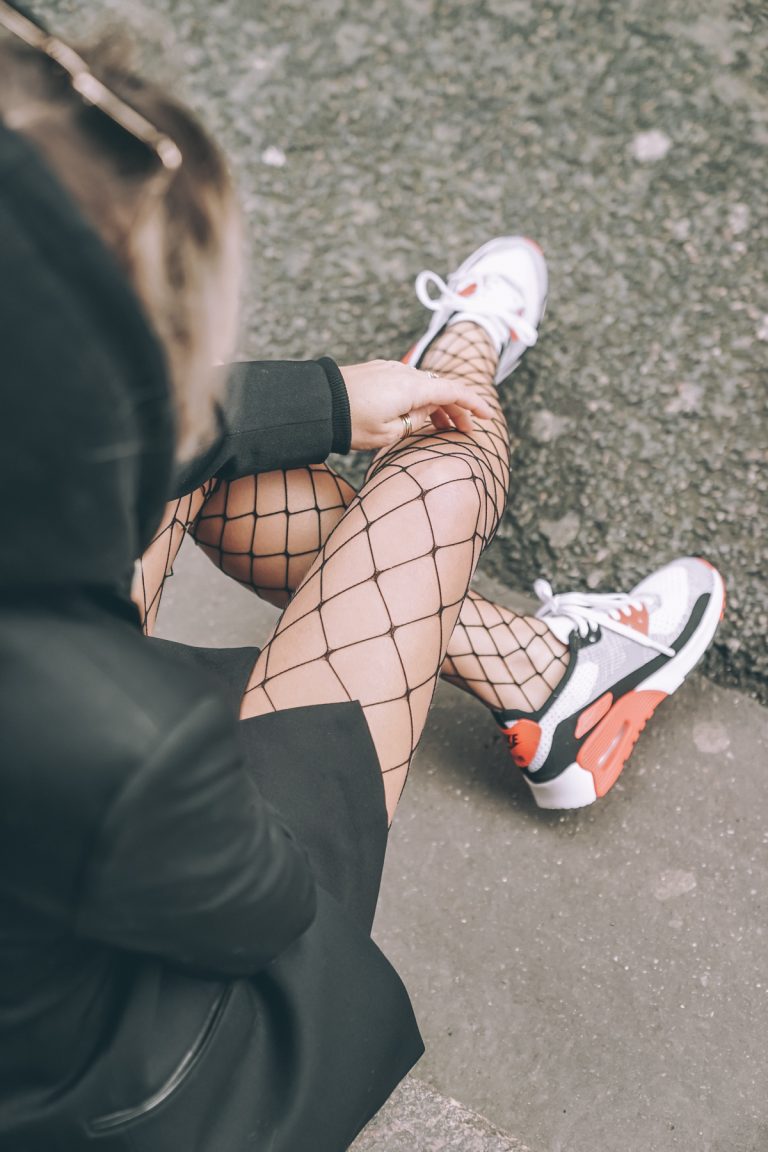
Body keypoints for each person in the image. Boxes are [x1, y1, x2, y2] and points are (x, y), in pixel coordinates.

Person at [0, 5, 724, 1151]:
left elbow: (114, 436)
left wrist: (332, 397)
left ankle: (554, 680)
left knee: (216, 458)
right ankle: (463, 387)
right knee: (440, 480)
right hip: (173, 1066)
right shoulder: (120, 742)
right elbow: (260, 910)